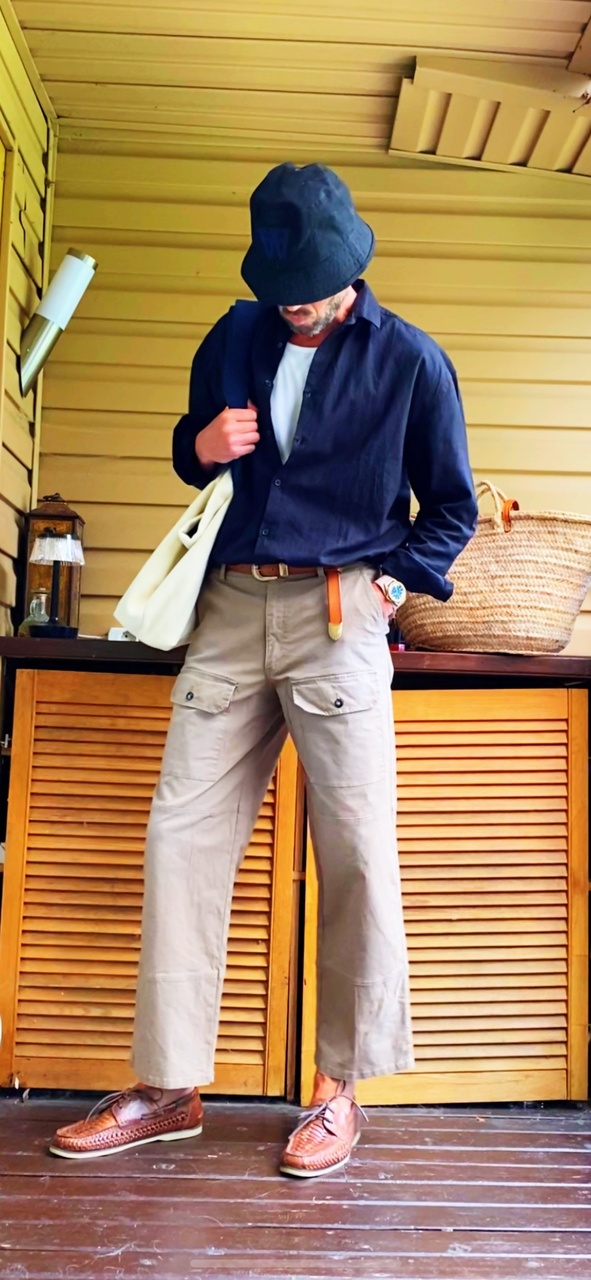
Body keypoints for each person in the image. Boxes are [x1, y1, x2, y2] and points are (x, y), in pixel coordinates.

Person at [50, 163, 477, 1176]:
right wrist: (201, 444)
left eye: (310, 287)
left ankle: (339, 1087)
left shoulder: (412, 360)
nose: (294, 303)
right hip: (231, 609)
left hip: (340, 613)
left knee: (357, 850)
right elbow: (191, 457)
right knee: (181, 837)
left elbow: (450, 510)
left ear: (350, 269)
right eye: (281, 286)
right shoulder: (234, 335)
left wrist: (386, 588)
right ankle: (168, 1085)